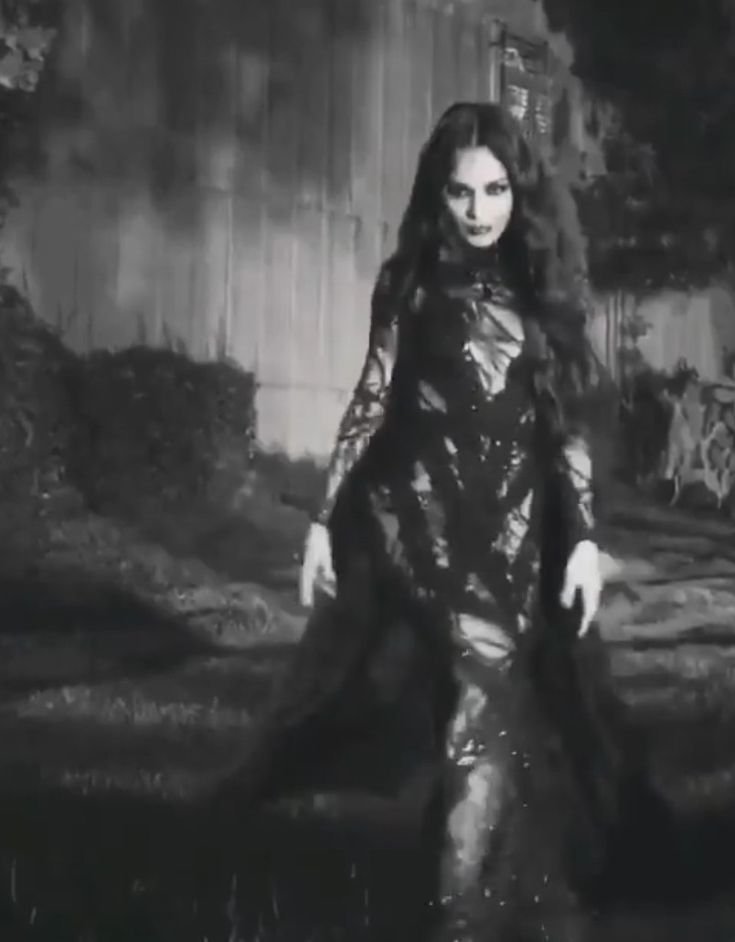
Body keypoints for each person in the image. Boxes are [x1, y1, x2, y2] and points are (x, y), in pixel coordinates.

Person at [215, 102, 651, 940]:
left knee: (485, 718)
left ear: (518, 194)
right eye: (460, 193)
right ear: (436, 193)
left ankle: (471, 900)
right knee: (464, 715)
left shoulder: (541, 295)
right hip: (421, 524)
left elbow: (564, 426)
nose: (479, 210)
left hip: (516, 537)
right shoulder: (407, 285)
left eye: (494, 190)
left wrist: (587, 539)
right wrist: (320, 520)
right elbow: (372, 400)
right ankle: (459, 915)